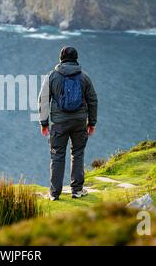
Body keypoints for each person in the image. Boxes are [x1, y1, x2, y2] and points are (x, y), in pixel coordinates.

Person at [38, 46, 98, 200]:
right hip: (79, 122)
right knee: (77, 153)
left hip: (59, 123)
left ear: (60, 59)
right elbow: (92, 100)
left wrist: (44, 123)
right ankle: (77, 190)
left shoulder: (51, 76)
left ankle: (54, 193)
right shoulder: (84, 78)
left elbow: (43, 100)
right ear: (76, 59)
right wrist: (92, 123)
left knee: (57, 155)